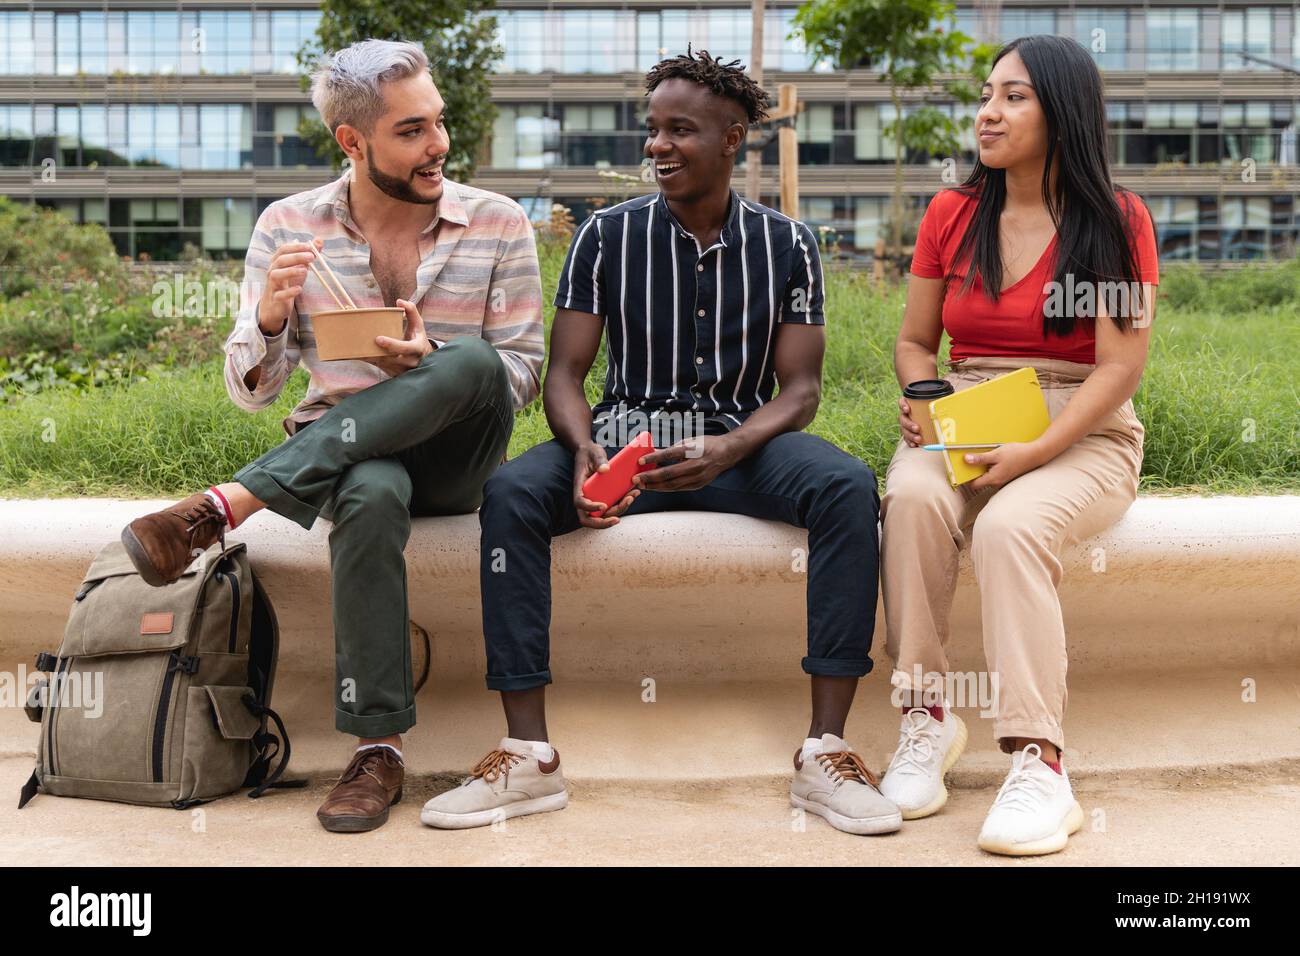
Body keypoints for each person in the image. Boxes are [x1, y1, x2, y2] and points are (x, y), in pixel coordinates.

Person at [420, 48, 900, 837]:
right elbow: (566, 375)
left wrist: (731, 447)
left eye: (681, 130)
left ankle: (825, 751)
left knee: (846, 487)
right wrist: (580, 451)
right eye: (652, 130)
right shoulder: (606, 237)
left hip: (741, 443)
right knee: (510, 493)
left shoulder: (789, 245)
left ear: (734, 136)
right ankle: (528, 753)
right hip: (623, 442)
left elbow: (802, 392)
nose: (658, 146)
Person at [118, 39, 544, 833]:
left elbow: (519, 374)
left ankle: (225, 505)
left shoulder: (497, 220)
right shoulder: (289, 225)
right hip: (349, 458)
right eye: (412, 131)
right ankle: (377, 748)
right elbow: (255, 390)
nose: (440, 145)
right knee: (370, 490)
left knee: (474, 362)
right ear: (353, 141)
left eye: (439, 123)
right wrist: (271, 319)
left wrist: (432, 361)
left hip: (457, 457)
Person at [876, 35, 1159, 856]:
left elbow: (1119, 369)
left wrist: (1033, 453)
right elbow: (915, 342)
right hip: (969, 406)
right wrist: (923, 397)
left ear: (1063, 111)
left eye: (1014, 96)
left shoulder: (1118, 218)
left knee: (1008, 526)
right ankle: (926, 718)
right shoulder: (951, 214)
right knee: (915, 497)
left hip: (1084, 425)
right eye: (987, 94)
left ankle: (1040, 762)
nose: (987, 112)